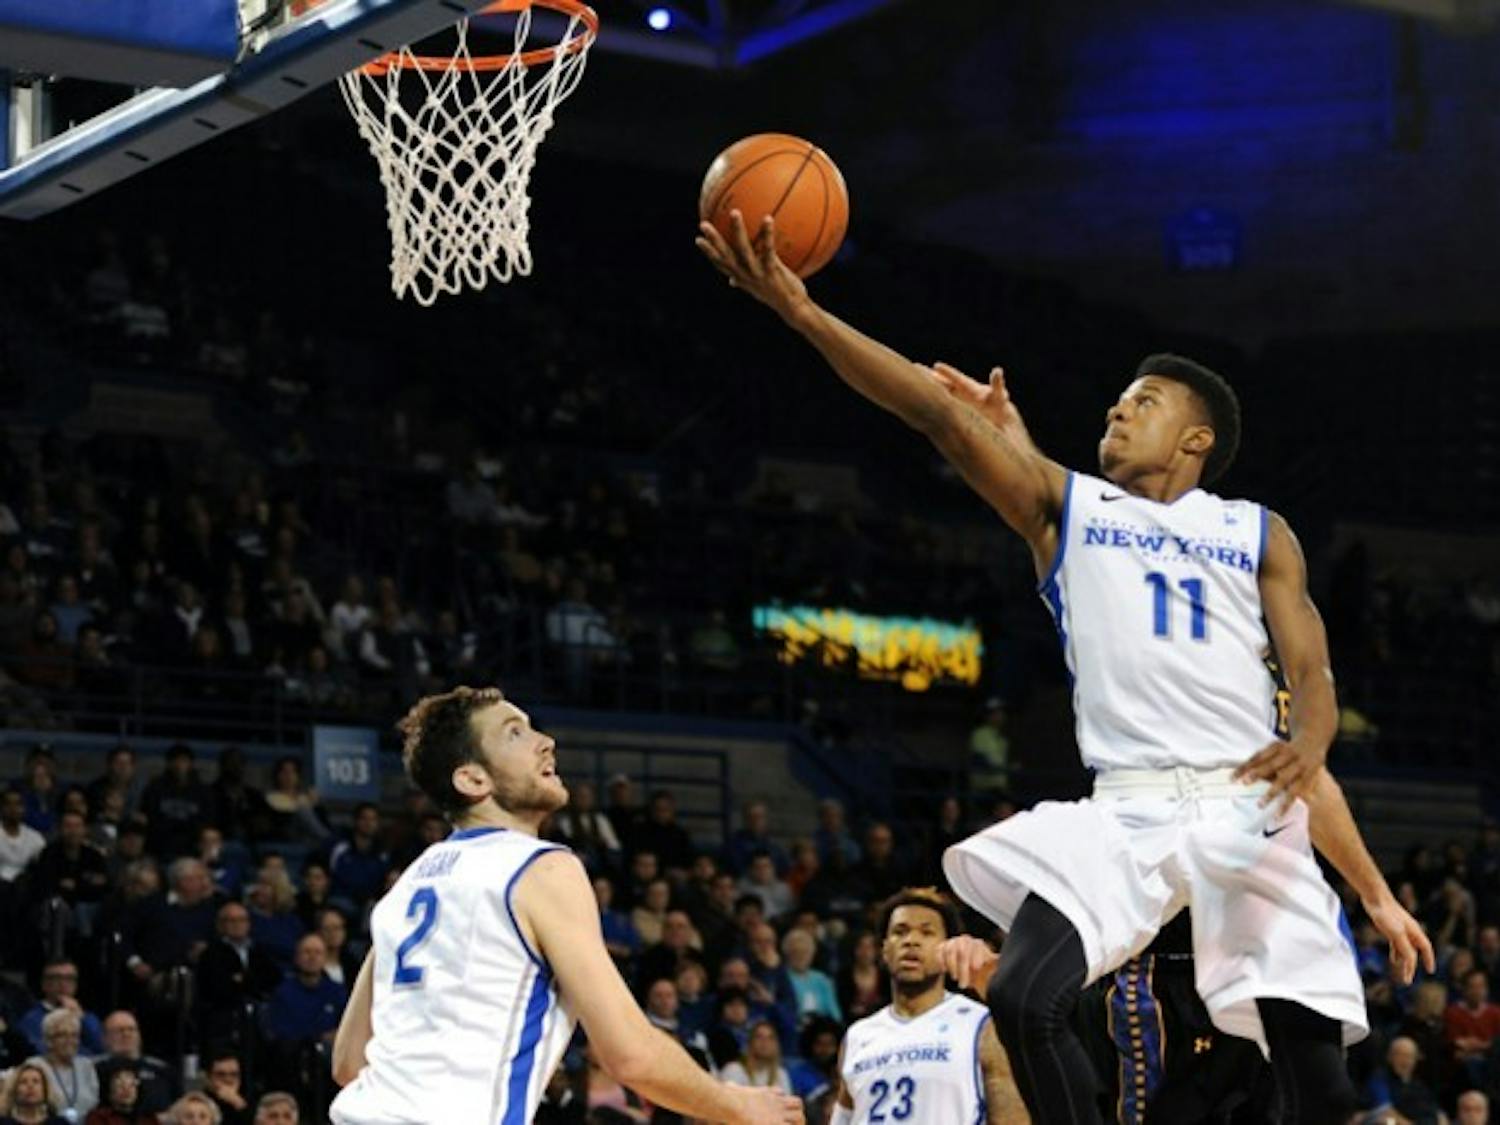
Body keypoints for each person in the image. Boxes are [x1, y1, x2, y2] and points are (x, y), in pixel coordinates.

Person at [699, 213, 1434, 1124]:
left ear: (1196, 441)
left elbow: (1313, 672)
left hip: (1248, 806)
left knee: (1316, 1084)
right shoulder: (1067, 510)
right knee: (1022, 998)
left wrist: (1320, 757)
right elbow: (933, 411)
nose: (1119, 409)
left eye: (1144, 401)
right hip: (1125, 806)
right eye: (1117, 400)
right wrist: (802, 312)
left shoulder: (1257, 530)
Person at [327, 685, 802, 1125]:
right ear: (473, 779)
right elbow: (629, 1054)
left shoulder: (406, 886)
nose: (545, 741)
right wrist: (738, 1104)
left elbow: (350, 1063)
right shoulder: (540, 867)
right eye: (515, 732)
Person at [828, 888, 1025, 1125]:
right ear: (884, 951)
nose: (911, 941)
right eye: (900, 932)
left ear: (946, 948)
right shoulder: (858, 1035)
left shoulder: (982, 1025)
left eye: (926, 932)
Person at [0, 1061, 69, 1125]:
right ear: (14, 1090)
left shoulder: (60, 1123)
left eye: (36, 1081)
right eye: (23, 1082)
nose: (30, 1086)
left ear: (45, 1089)